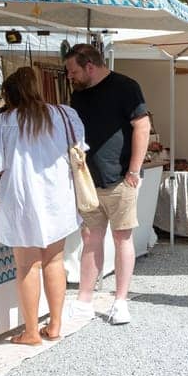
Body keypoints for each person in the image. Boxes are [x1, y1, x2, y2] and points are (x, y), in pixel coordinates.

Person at [0, 67, 84, 346]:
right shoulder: (65, 114)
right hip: (58, 197)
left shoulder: (5, 120)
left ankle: (30, 331)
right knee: (54, 261)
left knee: (28, 265)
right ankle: (54, 325)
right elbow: (80, 149)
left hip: (22, 199)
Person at [65, 43, 151, 327]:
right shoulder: (78, 94)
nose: (70, 76)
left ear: (90, 66)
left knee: (122, 238)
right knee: (90, 238)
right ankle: (85, 300)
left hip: (120, 178)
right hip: (88, 180)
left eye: (73, 70)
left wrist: (134, 171)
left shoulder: (126, 86)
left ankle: (120, 301)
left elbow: (142, 125)